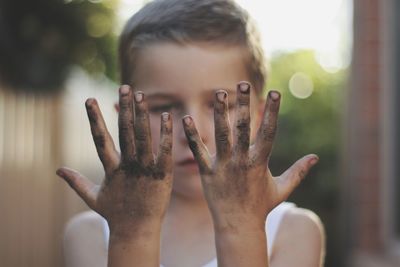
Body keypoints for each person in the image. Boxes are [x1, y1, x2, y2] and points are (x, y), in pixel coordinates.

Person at [57, 0, 325, 266]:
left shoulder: (294, 233)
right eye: (162, 107)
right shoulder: (90, 236)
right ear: (125, 116)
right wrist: (132, 233)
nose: (192, 130)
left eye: (221, 104)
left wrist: (241, 225)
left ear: (260, 117)